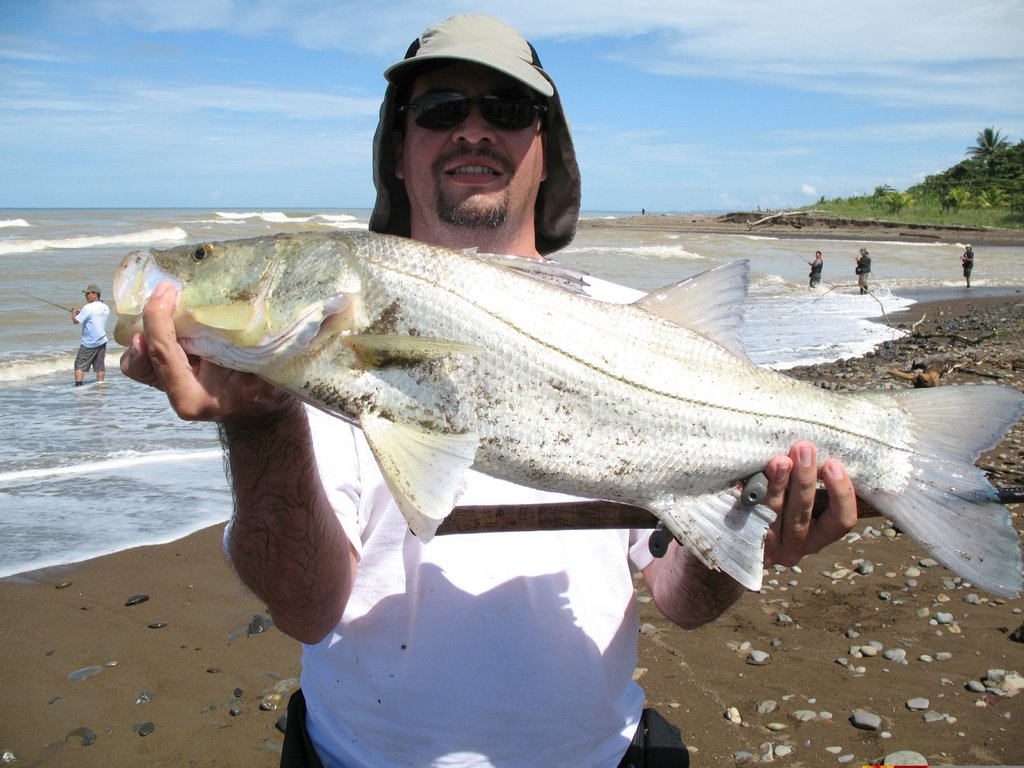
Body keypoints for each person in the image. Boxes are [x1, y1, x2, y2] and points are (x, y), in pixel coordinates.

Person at [120, 14, 858, 768]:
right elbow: (307, 609)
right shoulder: (301, 367)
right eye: (440, 110)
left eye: (507, 111)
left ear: (548, 154)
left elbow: (679, 600)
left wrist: (748, 523)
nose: (473, 130)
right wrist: (258, 426)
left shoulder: (633, 324)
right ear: (398, 155)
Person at [71, 283, 110, 385]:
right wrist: (81, 313)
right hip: (102, 341)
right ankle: (100, 385)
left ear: (94, 294)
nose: (86, 296)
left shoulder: (88, 308)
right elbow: (94, 317)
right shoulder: (105, 307)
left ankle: (78, 387)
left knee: (79, 365)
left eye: (88, 293)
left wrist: (74, 312)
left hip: (89, 343)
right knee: (100, 366)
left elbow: (76, 321)